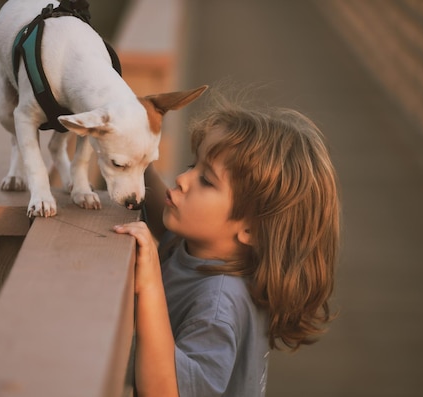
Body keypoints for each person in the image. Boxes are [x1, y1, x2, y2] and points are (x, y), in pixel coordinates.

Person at [113, 91, 340, 397]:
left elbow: (167, 392)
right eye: (194, 164)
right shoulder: (201, 246)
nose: (183, 179)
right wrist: (135, 152)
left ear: (251, 229)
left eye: (206, 180)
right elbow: (158, 209)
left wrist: (150, 285)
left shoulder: (217, 305)